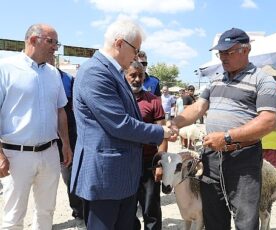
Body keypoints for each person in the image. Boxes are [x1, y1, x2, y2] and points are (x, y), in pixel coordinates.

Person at [168, 27, 276, 230]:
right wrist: (176, 122)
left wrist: (227, 137)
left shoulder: (263, 81)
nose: (222, 57)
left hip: (243, 159)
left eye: (229, 52)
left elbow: (267, 121)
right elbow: (199, 107)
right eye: (220, 53)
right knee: (214, 218)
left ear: (246, 50)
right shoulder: (216, 78)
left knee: (245, 220)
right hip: (211, 159)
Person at [70, 19, 174, 230]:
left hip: (121, 177)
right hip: (105, 178)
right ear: (119, 43)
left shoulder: (114, 73)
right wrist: (161, 131)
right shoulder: (95, 72)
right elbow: (120, 124)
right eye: (135, 50)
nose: (136, 56)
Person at [0, 24, 72, 229]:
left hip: (49, 152)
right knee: (13, 216)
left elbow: (60, 111)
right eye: (51, 41)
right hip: (16, 155)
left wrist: (65, 144)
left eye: (57, 43)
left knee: (46, 211)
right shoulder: (5, 69)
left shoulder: (53, 74)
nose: (55, 47)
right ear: (33, 40)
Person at [125, 61, 167, 230]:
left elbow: (162, 133)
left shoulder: (153, 101)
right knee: (127, 210)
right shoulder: (118, 99)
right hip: (125, 163)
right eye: (132, 75)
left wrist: (160, 164)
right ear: (125, 76)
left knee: (151, 208)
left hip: (148, 162)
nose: (137, 79)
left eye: (140, 75)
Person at [47, 55, 85, 228]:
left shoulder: (68, 79)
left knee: (71, 177)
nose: (50, 58)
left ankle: (79, 212)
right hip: (42, 139)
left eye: (52, 56)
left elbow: (75, 108)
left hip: (68, 137)